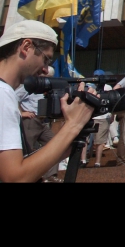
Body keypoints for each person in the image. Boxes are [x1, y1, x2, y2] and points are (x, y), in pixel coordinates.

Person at [0, 20, 94, 183]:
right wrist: (73, 125)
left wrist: (67, 144)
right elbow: (15, 177)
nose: (45, 69)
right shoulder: (3, 93)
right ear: (26, 47)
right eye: (46, 59)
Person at [15, 83, 59, 181]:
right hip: (31, 121)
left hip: (43, 121)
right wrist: (21, 113)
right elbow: (14, 97)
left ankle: (51, 176)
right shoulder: (29, 86)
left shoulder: (46, 88)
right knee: (27, 150)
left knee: (54, 144)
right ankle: (28, 177)